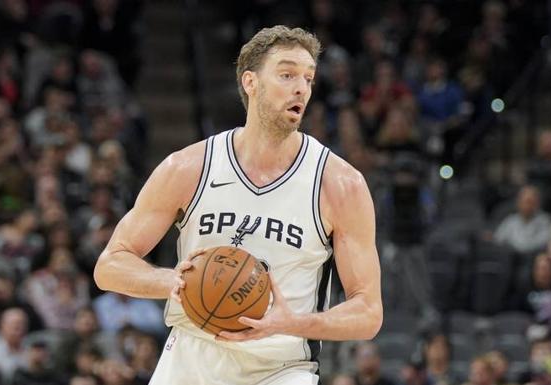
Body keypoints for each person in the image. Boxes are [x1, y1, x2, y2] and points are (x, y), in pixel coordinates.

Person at [93, 25, 383, 385]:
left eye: (308, 78)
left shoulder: (340, 184)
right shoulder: (188, 167)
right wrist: (173, 281)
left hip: (280, 369)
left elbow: (368, 312)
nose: (301, 88)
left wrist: (294, 322)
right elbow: (109, 266)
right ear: (250, 82)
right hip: (190, 358)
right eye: (287, 74)